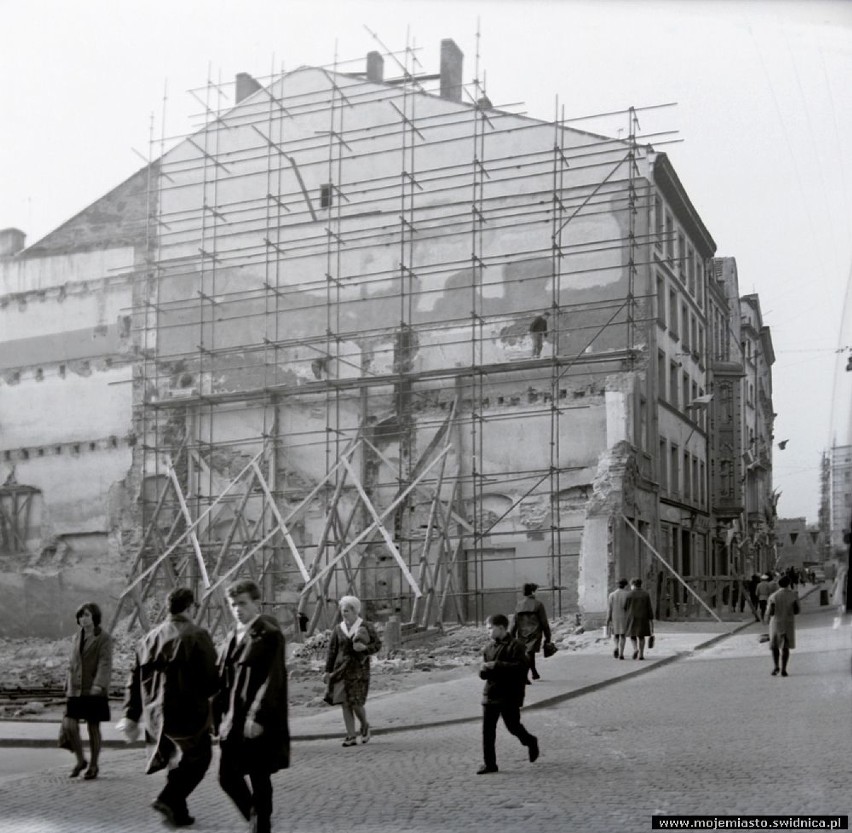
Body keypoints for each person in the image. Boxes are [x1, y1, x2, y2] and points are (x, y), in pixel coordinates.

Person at [120, 587, 219, 828]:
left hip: (156, 716)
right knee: (199, 758)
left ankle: (178, 813)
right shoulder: (197, 635)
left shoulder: (148, 639)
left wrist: (132, 715)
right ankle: (168, 798)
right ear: (190, 607)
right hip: (188, 713)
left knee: (176, 760)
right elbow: (212, 680)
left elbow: (133, 681)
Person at [215, 580, 290, 833]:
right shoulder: (230, 637)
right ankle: (255, 818)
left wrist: (257, 716)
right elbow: (220, 681)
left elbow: (273, 678)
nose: (238, 610)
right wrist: (214, 717)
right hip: (233, 719)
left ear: (256, 603)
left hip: (259, 721)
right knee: (227, 777)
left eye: (243, 604)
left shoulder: (268, 634)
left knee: (259, 777)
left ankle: (261, 826)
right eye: (233, 605)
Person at [477, 613, 540, 774]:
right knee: (487, 731)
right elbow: (484, 671)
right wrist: (483, 671)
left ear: (501, 628)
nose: (488, 632)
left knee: (513, 727)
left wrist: (495, 665)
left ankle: (530, 741)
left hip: (509, 695)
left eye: (490, 628)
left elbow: (521, 668)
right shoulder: (488, 648)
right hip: (490, 694)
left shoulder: (516, 646)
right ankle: (490, 764)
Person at [323, 595, 382, 747]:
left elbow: (378, 645)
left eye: (347, 610)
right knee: (345, 703)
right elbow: (332, 650)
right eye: (343, 610)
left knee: (356, 702)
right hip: (341, 670)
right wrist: (327, 671)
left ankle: (364, 725)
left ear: (355, 611)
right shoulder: (338, 629)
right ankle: (350, 736)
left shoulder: (366, 626)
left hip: (359, 670)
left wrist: (366, 649)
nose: (344, 613)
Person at [64, 601, 113, 780]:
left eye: (86, 615)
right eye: (80, 616)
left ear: (94, 617)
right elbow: (72, 664)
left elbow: (105, 662)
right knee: (70, 725)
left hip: (94, 689)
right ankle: (80, 760)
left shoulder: (104, 638)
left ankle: (93, 765)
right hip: (75, 689)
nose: (83, 619)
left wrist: (99, 684)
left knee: (93, 727)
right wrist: (67, 684)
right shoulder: (76, 637)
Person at [510, 582, 551, 681]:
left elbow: (514, 622)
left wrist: (511, 636)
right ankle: (525, 675)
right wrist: (548, 637)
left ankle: (533, 673)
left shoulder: (519, 605)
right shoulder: (538, 604)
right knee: (530, 653)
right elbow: (544, 622)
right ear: (533, 591)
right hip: (535, 633)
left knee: (528, 654)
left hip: (522, 633)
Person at [766, 575, 800, 677]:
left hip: (776, 623)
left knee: (775, 646)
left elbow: (771, 612)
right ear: (789, 584)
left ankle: (776, 666)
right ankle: (784, 669)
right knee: (785, 647)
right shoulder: (793, 595)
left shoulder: (773, 596)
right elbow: (797, 611)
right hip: (788, 623)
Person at [624, 578, 654, 660]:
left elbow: (625, 607)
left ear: (633, 585)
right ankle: (641, 654)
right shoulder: (646, 594)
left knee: (632, 635)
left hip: (632, 617)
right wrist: (651, 618)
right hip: (643, 617)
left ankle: (635, 649)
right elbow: (649, 607)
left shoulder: (629, 594)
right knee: (641, 636)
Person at [606, 579, 630, 660]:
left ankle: (616, 646)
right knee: (623, 635)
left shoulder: (612, 595)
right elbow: (629, 608)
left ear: (617, 585)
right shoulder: (628, 595)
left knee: (616, 635)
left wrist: (608, 619)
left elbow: (609, 609)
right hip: (624, 617)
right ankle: (621, 654)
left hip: (614, 616)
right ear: (625, 585)